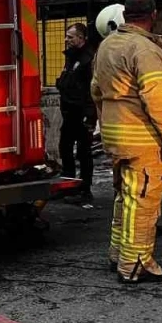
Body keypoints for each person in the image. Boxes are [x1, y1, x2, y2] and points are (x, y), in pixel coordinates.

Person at [91, 0, 162, 283]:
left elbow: (96, 91)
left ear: (125, 14)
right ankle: (135, 266)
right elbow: (159, 101)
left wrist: (105, 122)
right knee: (144, 201)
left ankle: (118, 254)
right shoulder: (146, 51)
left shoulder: (108, 45)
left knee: (125, 197)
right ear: (153, 14)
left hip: (116, 135)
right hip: (141, 138)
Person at [56, 23, 96, 199]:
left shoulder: (88, 59)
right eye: (66, 36)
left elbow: (91, 89)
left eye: (70, 37)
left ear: (81, 38)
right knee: (65, 148)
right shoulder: (72, 57)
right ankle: (68, 184)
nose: (66, 40)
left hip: (82, 113)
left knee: (83, 151)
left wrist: (90, 116)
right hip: (69, 111)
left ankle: (85, 189)